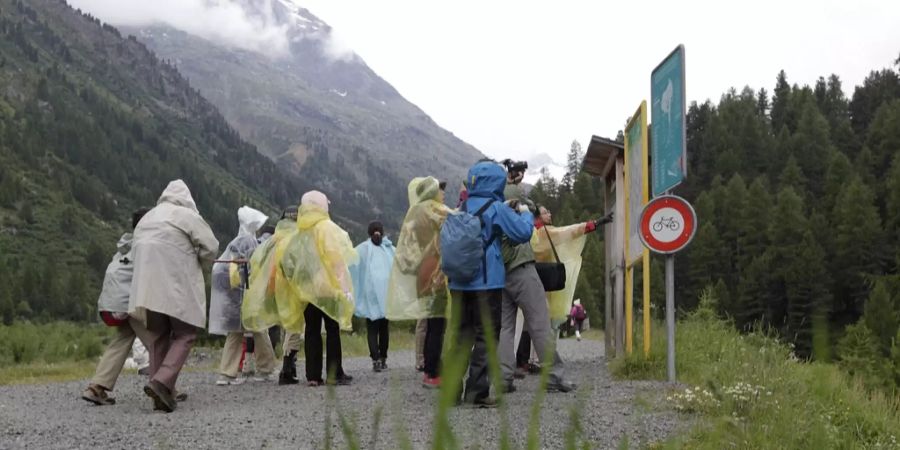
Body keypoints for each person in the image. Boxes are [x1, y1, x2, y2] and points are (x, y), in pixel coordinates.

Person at [445, 160, 534, 407]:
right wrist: (526, 215)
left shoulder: (461, 206)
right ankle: (477, 393)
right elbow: (521, 233)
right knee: (486, 336)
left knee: (461, 335)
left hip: (459, 283)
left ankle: (451, 392)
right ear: (496, 182)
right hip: (486, 283)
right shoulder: (496, 208)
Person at [129, 180, 218, 413]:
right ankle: (161, 381)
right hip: (177, 283)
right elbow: (210, 247)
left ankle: (162, 394)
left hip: (147, 287)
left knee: (158, 335)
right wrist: (201, 262)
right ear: (187, 199)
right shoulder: (186, 216)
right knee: (185, 333)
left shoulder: (149, 217)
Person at [498, 169, 576, 394]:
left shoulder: (493, 207)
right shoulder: (516, 205)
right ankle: (554, 377)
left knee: (505, 328)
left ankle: (503, 379)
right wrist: (515, 186)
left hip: (501, 273)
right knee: (540, 323)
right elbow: (531, 207)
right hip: (522, 268)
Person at [82, 208, 164, 406]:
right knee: (156, 341)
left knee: (122, 340)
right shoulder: (145, 245)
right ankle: (166, 386)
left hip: (110, 304)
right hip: (127, 303)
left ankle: (96, 387)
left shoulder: (126, 245)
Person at [281, 191, 358, 386]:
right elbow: (336, 258)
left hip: (307, 290)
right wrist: (345, 287)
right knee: (332, 329)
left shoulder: (301, 229)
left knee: (312, 330)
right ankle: (334, 373)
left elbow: (291, 259)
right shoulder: (326, 227)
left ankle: (313, 375)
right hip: (327, 289)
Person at [386, 177, 451, 388]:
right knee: (437, 325)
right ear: (432, 192)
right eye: (440, 191)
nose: (443, 195)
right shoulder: (434, 210)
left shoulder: (413, 212)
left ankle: (429, 369)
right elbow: (459, 219)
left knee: (430, 322)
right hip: (436, 273)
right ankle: (433, 372)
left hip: (421, 274)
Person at [209, 206, 278, 386]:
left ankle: (227, 373)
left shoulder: (235, 241)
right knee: (259, 330)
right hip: (247, 294)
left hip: (234, 294)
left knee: (235, 333)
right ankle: (266, 368)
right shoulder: (250, 242)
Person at [531, 205, 612, 346]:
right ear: (537, 217)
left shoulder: (527, 231)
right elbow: (571, 231)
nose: (549, 214)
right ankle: (541, 356)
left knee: (528, 321)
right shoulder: (545, 232)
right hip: (544, 281)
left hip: (527, 279)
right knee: (544, 320)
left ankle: (525, 358)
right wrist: (596, 223)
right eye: (545, 212)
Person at [241, 207, 303, 385]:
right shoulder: (297, 238)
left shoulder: (273, 239)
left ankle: (261, 364)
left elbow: (258, 262)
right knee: (293, 327)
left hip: (272, 288)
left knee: (276, 326)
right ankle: (287, 368)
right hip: (291, 288)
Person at [350, 221, 396, 372]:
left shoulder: (363, 249)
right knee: (384, 328)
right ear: (382, 232)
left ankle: (375, 359)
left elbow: (350, 262)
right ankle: (383, 358)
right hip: (386, 295)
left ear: (369, 233)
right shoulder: (388, 248)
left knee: (372, 329)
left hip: (371, 296)